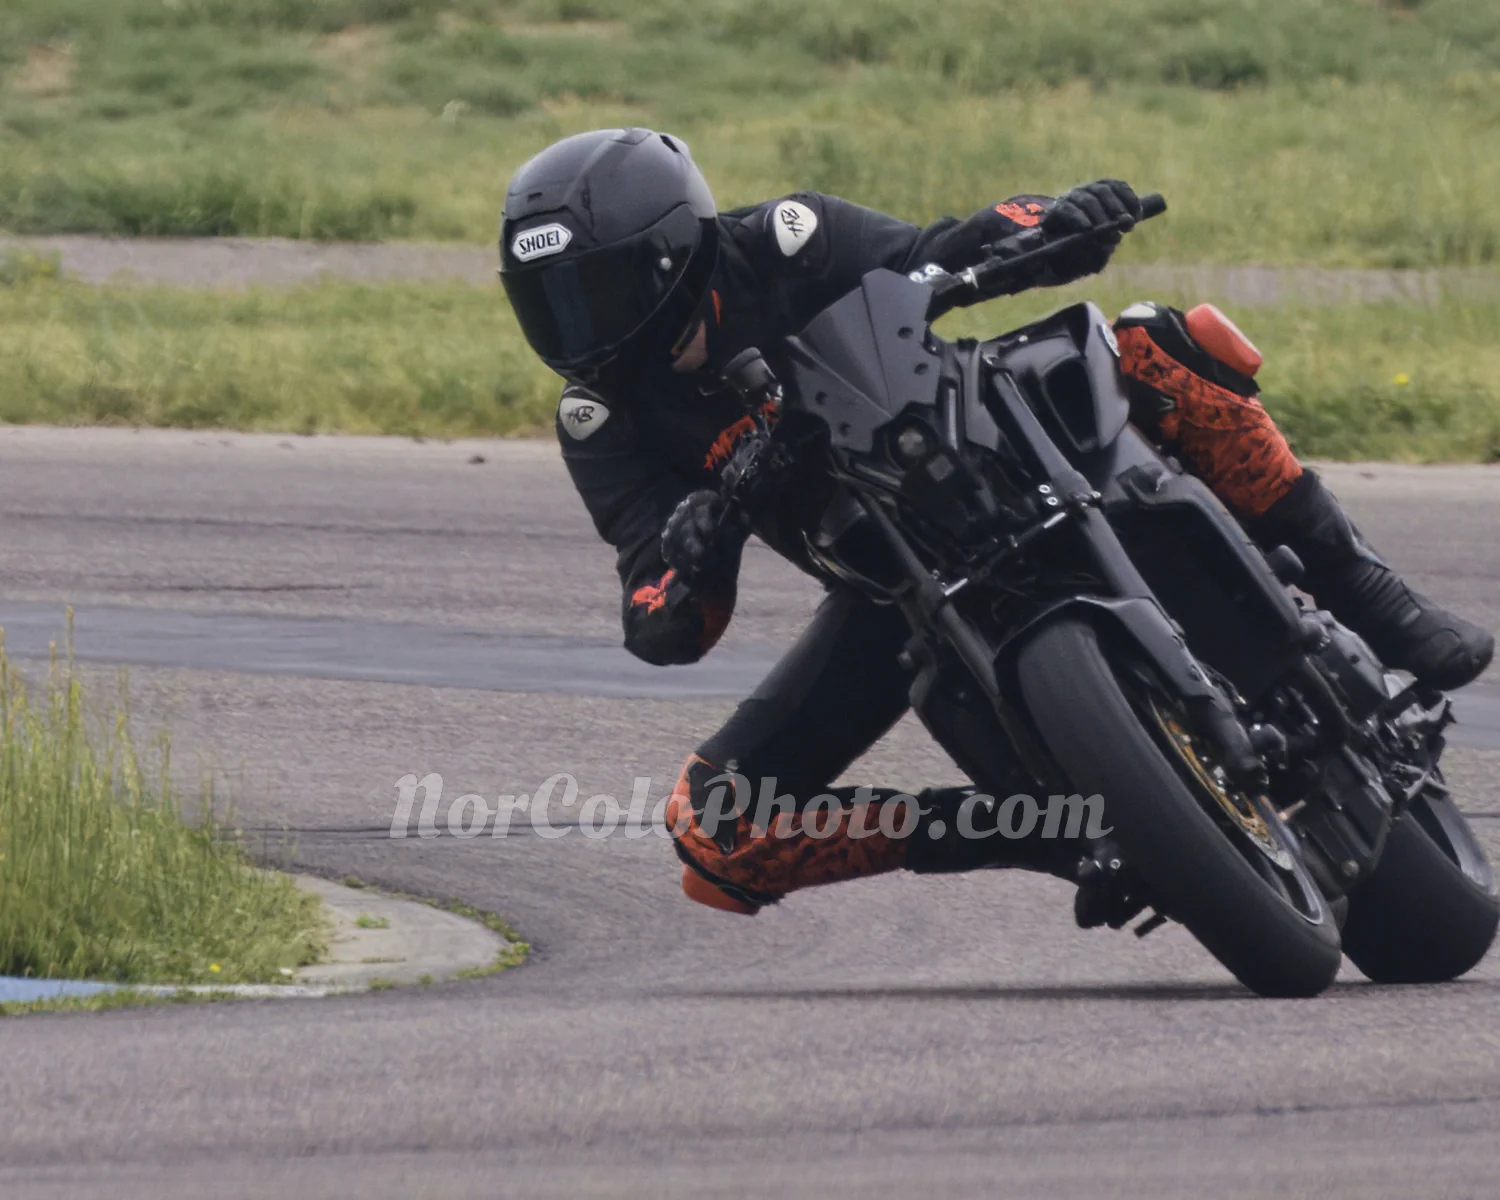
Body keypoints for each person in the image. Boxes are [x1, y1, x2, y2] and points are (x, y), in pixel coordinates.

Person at [499, 127, 1494, 921]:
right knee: (713, 833)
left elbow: (941, 248)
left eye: (592, 294)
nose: (577, 329)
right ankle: (1048, 831)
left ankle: (1369, 589)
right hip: (889, 587)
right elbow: (657, 614)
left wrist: (1056, 218)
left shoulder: (787, 239)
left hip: (978, 440)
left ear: (671, 252)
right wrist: (689, 559)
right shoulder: (602, 420)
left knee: (1156, 344)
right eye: (549, 306)